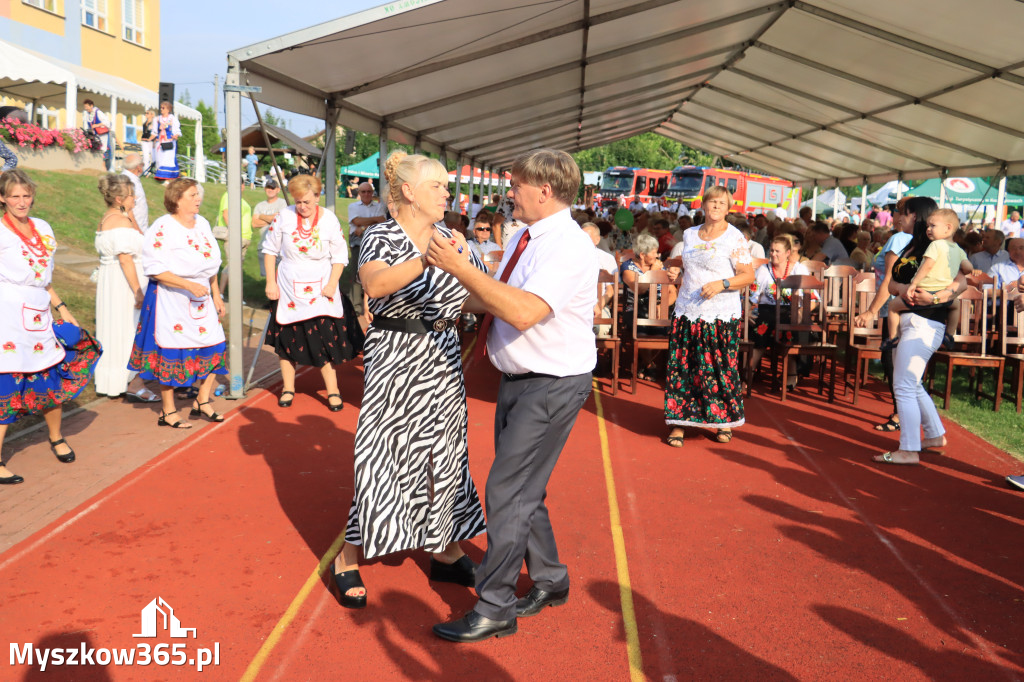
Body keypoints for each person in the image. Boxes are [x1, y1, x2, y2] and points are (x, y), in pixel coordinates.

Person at [429, 148, 597, 643]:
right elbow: (494, 298)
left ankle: (496, 604)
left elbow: (523, 311)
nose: (509, 191)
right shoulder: (529, 234)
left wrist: (460, 269)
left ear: (544, 191)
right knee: (524, 488)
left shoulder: (567, 245)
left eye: (516, 184)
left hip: (548, 382)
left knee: (507, 490)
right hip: (525, 378)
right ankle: (549, 579)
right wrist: (443, 295)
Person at [330, 152, 487, 610]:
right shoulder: (381, 236)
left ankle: (445, 549)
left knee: (444, 458)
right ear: (409, 193)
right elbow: (375, 287)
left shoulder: (453, 239)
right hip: (396, 362)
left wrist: (473, 274)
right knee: (385, 460)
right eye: (437, 185)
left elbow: (475, 298)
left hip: (442, 362)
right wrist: (428, 257)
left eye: (446, 185)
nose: (447, 192)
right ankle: (347, 556)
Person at [0, 170, 101, 484]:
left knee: (50, 373)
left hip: (40, 312)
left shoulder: (42, 227)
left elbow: (45, 278)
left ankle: (56, 437)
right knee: (7, 384)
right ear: (2, 198)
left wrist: (63, 308)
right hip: (8, 314)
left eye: (26, 195)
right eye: (14, 196)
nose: (21, 201)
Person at [127, 178, 228, 429]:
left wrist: (216, 294)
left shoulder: (202, 223)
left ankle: (202, 400)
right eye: (192, 195)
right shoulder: (162, 228)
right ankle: (168, 410)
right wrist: (187, 285)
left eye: (198, 194)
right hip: (172, 297)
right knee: (172, 351)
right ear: (177, 199)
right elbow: (155, 268)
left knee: (215, 344)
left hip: (202, 297)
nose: (198, 199)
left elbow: (211, 265)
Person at [873, 196, 966, 466]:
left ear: (918, 216)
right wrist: (901, 290)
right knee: (911, 384)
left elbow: (962, 281)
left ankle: (909, 449)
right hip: (911, 321)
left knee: (903, 385)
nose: (896, 218)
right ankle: (934, 435)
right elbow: (892, 285)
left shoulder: (941, 246)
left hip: (926, 322)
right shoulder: (912, 245)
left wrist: (936, 298)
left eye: (903, 213)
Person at [262, 174, 363, 411]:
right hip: (288, 288)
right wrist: (270, 283)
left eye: (307, 201)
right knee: (286, 340)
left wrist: (332, 283)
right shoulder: (283, 217)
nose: (302, 206)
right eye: (298, 201)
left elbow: (340, 256)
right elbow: (270, 251)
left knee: (324, 340)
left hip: (320, 287)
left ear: (317, 197)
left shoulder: (328, 220)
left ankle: (333, 390)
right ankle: (288, 387)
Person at [664, 186, 754, 448]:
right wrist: (676, 276)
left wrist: (722, 284)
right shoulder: (690, 235)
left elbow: (747, 276)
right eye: (712, 202)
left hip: (720, 315)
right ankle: (679, 421)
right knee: (683, 368)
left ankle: (723, 420)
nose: (716, 207)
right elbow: (688, 272)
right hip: (687, 312)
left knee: (720, 369)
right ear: (703, 205)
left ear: (728, 208)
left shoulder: (734, 237)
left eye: (721, 203)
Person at [93, 174, 157, 401]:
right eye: (131, 195)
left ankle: (116, 379)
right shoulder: (120, 222)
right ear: (120, 198)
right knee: (131, 329)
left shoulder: (108, 218)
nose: (136, 198)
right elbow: (125, 259)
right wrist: (138, 291)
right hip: (124, 285)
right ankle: (133, 380)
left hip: (112, 283)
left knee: (115, 330)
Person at [882, 208, 970, 350]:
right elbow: (968, 268)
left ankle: (893, 337)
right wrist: (971, 270)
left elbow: (927, 266)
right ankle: (949, 334)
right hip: (944, 295)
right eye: (927, 226)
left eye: (932, 226)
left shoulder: (935, 244)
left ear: (948, 228)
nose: (928, 229)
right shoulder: (958, 249)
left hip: (924, 292)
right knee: (956, 305)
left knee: (893, 306)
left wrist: (914, 283)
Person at [747, 235, 813, 387]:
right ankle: (747, 373)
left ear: (788, 253)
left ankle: (791, 375)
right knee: (762, 326)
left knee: (793, 327)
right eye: (771, 250)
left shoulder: (799, 269)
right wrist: (748, 312)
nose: (773, 254)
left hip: (792, 311)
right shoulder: (763, 270)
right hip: (767, 310)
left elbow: (814, 299)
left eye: (777, 251)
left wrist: (803, 312)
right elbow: (752, 297)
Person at [346, 182, 387, 314]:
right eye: (363, 192)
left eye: (369, 191)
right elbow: (356, 221)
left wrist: (363, 226)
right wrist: (373, 221)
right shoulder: (353, 206)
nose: (366, 194)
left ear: (372, 193)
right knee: (356, 274)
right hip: (358, 242)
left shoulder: (380, 206)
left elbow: (382, 220)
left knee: (374, 273)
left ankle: (372, 306)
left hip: (375, 241)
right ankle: (356, 308)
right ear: (359, 193)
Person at [215, 190, 252, 298]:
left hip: (244, 237)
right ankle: (230, 296)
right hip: (236, 237)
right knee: (233, 266)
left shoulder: (240, 199)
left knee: (234, 266)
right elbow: (226, 214)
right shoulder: (229, 194)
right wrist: (235, 233)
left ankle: (226, 294)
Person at [253, 179, 287, 278]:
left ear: (278, 190)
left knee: (282, 276)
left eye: (273, 188)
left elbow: (280, 219)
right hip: (263, 245)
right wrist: (273, 218)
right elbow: (254, 223)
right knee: (267, 277)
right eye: (268, 187)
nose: (270, 190)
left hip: (281, 246)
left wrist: (262, 216)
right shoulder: (260, 205)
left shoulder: (283, 203)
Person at [120, 153, 149, 231]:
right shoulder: (127, 181)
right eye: (142, 164)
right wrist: (138, 231)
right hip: (133, 230)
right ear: (138, 167)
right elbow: (126, 209)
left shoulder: (132, 179)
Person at [153, 101, 180, 182]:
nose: (161, 109)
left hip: (169, 142)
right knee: (159, 159)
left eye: (163, 108)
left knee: (168, 159)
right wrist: (152, 139)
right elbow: (154, 131)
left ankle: (168, 177)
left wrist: (175, 136)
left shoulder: (173, 119)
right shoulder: (157, 119)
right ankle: (160, 176)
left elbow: (177, 130)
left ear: (168, 109)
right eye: (161, 107)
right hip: (160, 142)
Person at [83, 99, 113, 169]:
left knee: (103, 149)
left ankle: (104, 167)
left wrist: (96, 125)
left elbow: (107, 122)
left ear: (91, 106)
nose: (86, 108)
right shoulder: (88, 115)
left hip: (102, 135)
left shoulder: (98, 112)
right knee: (96, 149)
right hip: (94, 135)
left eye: (87, 106)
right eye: (85, 107)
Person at [140, 109, 156, 174]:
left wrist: (152, 140)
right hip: (144, 140)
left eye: (147, 113)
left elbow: (155, 133)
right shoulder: (145, 122)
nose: (146, 114)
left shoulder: (153, 123)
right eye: (146, 113)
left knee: (153, 157)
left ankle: (153, 170)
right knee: (145, 156)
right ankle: (145, 171)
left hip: (151, 141)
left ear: (151, 115)